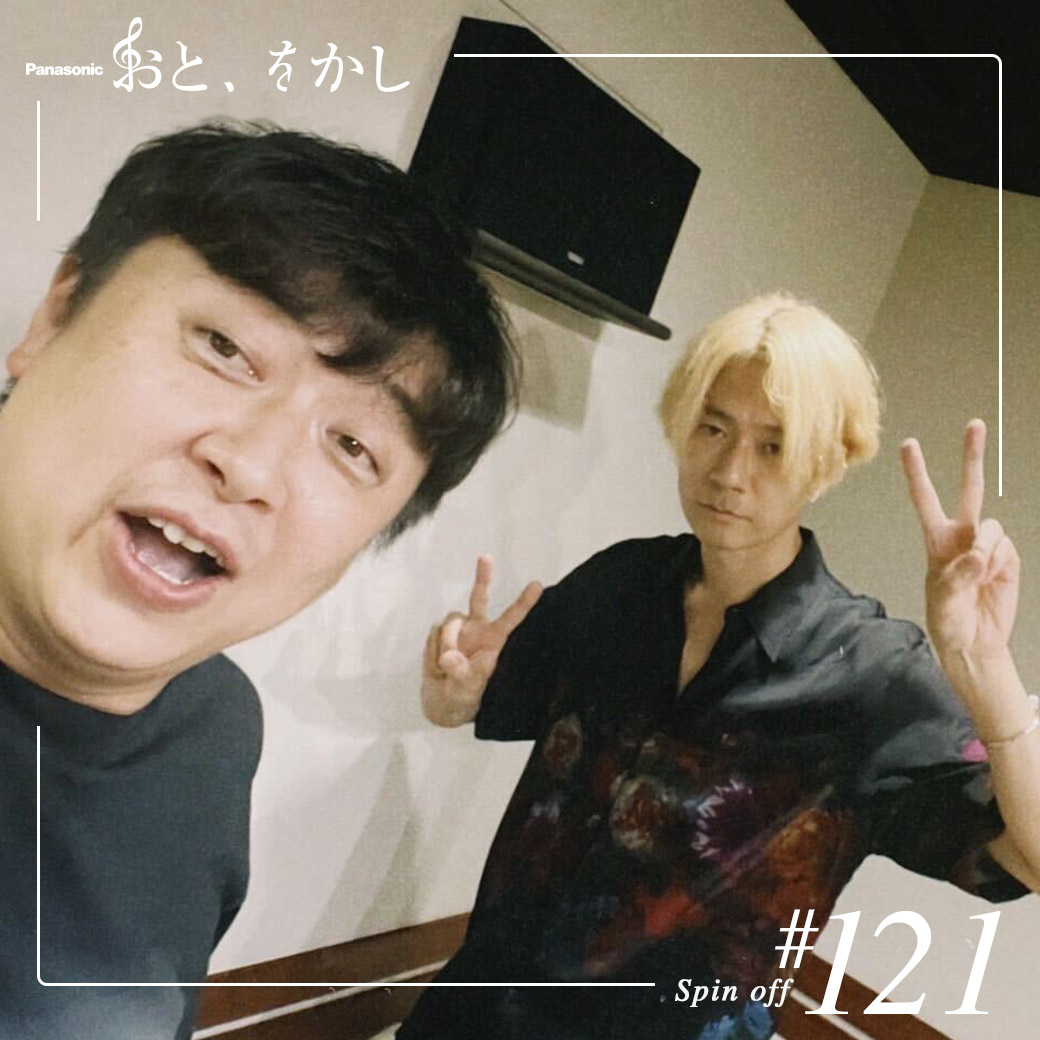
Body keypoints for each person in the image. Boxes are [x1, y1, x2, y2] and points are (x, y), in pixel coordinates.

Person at [0, 121, 516, 1040]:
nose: (251, 465)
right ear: (57, 313)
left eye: (352, 445)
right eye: (225, 348)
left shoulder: (216, 724)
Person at [405, 294, 1038, 1040]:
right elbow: (465, 708)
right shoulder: (619, 585)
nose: (731, 472)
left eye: (773, 446)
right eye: (713, 427)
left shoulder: (871, 677)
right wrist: (452, 691)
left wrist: (986, 669)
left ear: (827, 464)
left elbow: (1029, 861)